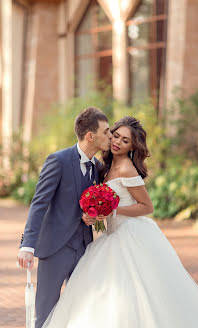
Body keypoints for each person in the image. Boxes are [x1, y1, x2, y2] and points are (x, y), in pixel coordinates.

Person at [41, 116, 198, 328]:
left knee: (133, 291)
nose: (118, 142)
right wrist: (94, 215)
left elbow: (147, 206)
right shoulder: (102, 168)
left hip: (130, 234)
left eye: (126, 141)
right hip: (108, 236)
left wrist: (113, 211)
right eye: (116, 136)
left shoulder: (127, 168)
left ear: (133, 146)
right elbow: (99, 205)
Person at [17, 107, 112, 328]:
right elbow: (39, 203)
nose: (110, 136)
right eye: (106, 132)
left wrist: (92, 216)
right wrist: (27, 245)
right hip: (55, 248)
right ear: (90, 135)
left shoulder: (97, 167)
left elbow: (94, 202)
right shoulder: (58, 160)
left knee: (81, 309)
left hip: (84, 248)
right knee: (46, 313)